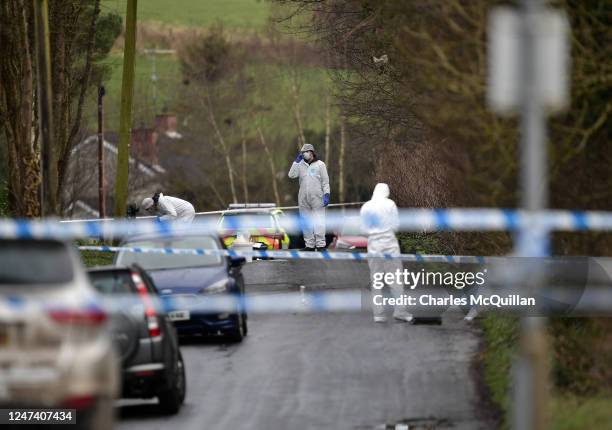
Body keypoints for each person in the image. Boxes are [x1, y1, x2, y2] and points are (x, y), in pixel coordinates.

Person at [360, 183, 413, 323]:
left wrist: (374, 234)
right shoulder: (390, 204)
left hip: (374, 247)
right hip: (390, 246)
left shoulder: (366, 207)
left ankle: (378, 314)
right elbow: (396, 226)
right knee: (396, 280)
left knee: (376, 281)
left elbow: (363, 230)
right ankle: (400, 311)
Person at [288, 143, 330, 250]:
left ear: (311, 152)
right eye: (302, 153)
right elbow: (291, 175)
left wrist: (326, 194)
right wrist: (295, 162)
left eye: (306, 152)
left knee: (319, 220)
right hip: (303, 198)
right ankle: (309, 245)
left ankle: (320, 244)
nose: (304, 154)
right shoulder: (300, 164)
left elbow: (325, 181)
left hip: (317, 197)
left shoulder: (320, 165)